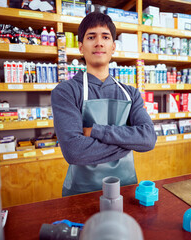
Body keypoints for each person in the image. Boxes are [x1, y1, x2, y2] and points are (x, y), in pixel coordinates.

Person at [51, 12, 157, 197]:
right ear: (81, 47)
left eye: (105, 37)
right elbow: (74, 152)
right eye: (91, 37)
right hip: (81, 194)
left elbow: (148, 139)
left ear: (113, 47)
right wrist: (130, 142)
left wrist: (95, 131)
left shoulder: (130, 93)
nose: (99, 42)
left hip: (126, 189)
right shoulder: (66, 91)